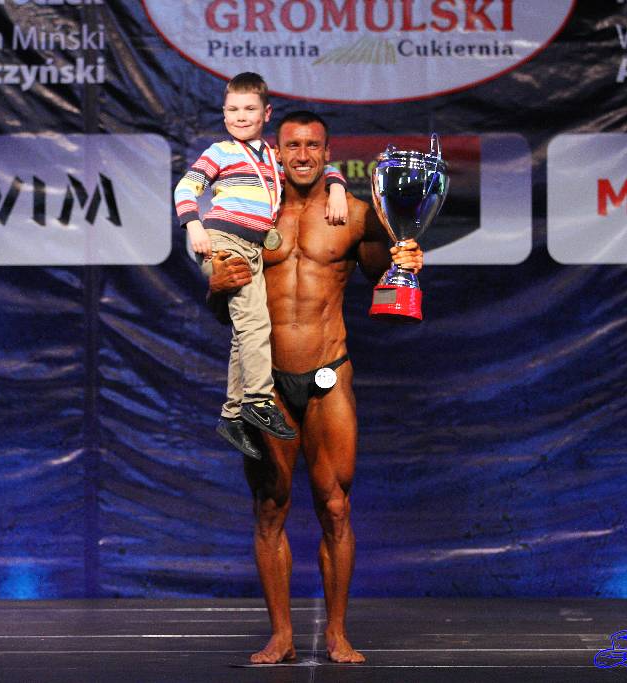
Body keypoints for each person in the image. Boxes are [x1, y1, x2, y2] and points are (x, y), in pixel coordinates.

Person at [207, 111, 423, 664]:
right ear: (276, 152)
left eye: (313, 146)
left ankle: (337, 633)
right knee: (269, 506)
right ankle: (281, 635)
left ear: (328, 153)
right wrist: (216, 285)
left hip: (329, 373)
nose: (302, 155)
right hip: (267, 382)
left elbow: (384, 282)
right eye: (293, 146)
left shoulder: (353, 214)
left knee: (336, 507)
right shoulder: (251, 213)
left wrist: (405, 262)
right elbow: (224, 308)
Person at [175, 73, 348, 456]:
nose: (241, 116)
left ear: (266, 113)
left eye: (249, 109)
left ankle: (233, 416)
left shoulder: (269, 157)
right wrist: (193, 225)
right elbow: (186, 187)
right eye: (233, 109)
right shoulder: (220, 152)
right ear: (223, 114)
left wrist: (337, 186)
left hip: (252, 245)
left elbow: (315, 170)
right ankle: (258, 401)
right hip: (224, 241)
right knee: (255, 325)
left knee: (245, 333)